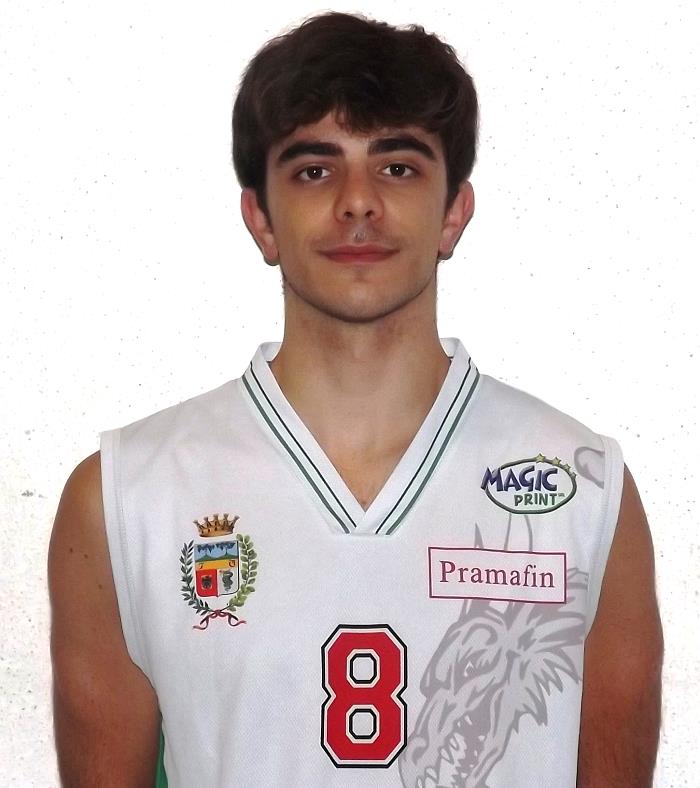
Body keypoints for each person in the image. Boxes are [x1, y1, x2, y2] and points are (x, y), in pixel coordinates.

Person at [48, 11, 663, 787]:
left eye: (397, 167)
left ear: (453, 212)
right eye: (315, 170)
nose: (358, 202)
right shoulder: (124, 498)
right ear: (261, 220)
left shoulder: (585, 490)